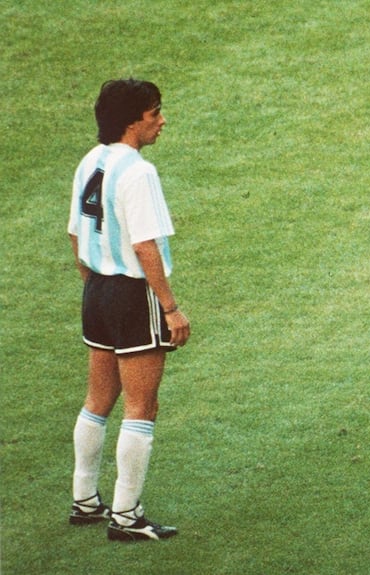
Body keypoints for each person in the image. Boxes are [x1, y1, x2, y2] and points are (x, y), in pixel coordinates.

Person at [67, 78, 190, 542]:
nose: (162, 120)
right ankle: (126, 515)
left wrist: (95, 285)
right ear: (132, 120)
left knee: (98, 399)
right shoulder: (139, 172)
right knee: (142, 405)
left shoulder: (89, 162)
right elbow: (145, 246)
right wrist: (171, 308)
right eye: (155, 112)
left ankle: (84, 500)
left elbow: (75, 234)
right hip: (132, 295)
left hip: (96, 289)